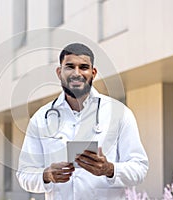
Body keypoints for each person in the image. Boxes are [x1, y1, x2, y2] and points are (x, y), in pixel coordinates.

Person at [16, 43, 149, 200]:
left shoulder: (120, 114)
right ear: (59, 72)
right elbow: (25, 174)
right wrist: (47, 175)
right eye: (70, 67)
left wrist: (109, 169)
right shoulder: (41, 118)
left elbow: (139, 169)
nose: (76, 73)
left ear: (93, 73)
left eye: (84, 67)